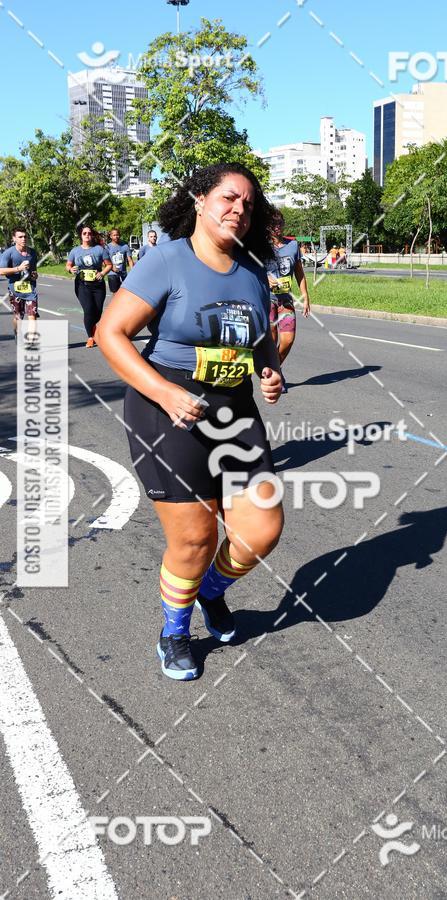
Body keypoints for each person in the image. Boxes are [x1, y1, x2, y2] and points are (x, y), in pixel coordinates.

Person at [96, 162, 284, 682]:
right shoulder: (166, 260)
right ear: (200, 200)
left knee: (262, 528)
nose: (238, 211)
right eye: (228, 198)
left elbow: (260, 337)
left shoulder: (251, 269)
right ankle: (175, 631)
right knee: (195, 540)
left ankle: (210, 591)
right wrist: (164, 391)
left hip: (234, 411)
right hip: (166, 411)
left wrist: (271, 371)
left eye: (248, 204)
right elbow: (112, 333)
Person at [266, 211, 310, 393]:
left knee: (288, 339)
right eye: (273, 224)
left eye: (280, 223)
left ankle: (275, 370)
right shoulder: (262, 247)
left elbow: (299, 272)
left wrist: (305, 296)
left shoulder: (292, 245)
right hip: (266, 300)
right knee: (272, 339)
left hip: (285, 300)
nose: (277, 227)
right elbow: (250, 270)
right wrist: (264, 278)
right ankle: (274, 377)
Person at [66, 225, 112, 347]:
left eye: (89, 233)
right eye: (84, 233)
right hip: (82, 284)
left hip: (98, 285)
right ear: (81, 236)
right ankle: (90, 337)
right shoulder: (75, 251)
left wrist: (102, 273)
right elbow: (68, 265)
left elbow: (108, 265)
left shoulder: (100, 249)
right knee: (88, 310)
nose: (87, 235)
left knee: (97, 312)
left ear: (92, 235)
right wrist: (71, 269)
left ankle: (93, 328)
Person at [0, 227, 39, 340]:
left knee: (32, 315)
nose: (23, 239)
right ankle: (17, 333)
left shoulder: (32, 252)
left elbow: (34, 271)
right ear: (14, 238)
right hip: (15, 289)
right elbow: (1, 271)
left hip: (30, 289)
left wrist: (34, 275)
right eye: (20, 237)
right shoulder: (8, 253)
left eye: (25, 236)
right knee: (18, 317)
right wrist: (18, 268)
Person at [106, 228, 134, 293]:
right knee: (115, 293)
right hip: (112, 274)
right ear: (111, 236)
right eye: (114, 235)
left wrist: (132, 272)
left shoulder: (125, 246)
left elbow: (130, 260)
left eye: (117, 235)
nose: (116, 237)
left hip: (123, 273)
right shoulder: (107, 247)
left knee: (125, 292)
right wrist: (112, 267)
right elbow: (104, 262)